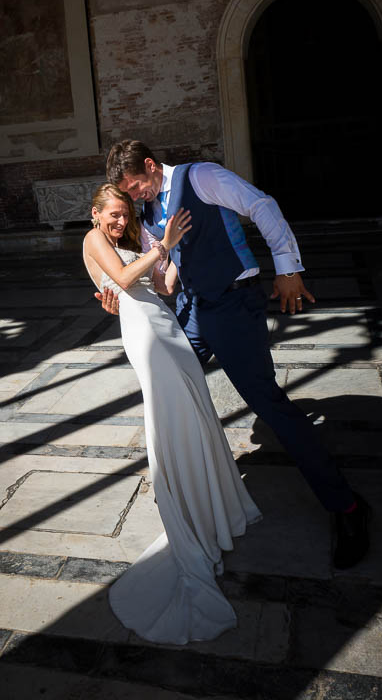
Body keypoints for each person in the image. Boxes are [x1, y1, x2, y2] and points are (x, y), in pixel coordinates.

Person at [101, 140, 370, 570]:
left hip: (233, 305)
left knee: (269, 404)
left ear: (150, 166)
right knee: (169, 382)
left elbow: (261, 205)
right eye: (128, 194)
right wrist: (117, 289)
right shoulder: (149, 211)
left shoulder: (202, 177)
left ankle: (348, 508)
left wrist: (287, 269)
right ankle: (191, 489)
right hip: (192, 310)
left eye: (135, 187)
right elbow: (166, 281)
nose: (134, 198)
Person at [83, 183, 262, 644]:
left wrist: (172, 253)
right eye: (113, 215)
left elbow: (162, 286)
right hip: (141, 332)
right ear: (96, 215)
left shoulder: (134, 239)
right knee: (167, 414)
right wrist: (161, 244)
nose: (121, 222)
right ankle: (184, 506)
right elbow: (121, 284)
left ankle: (210, 499)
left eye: (125, 214)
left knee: (196, 408)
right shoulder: (93, 239)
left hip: (167, 325)